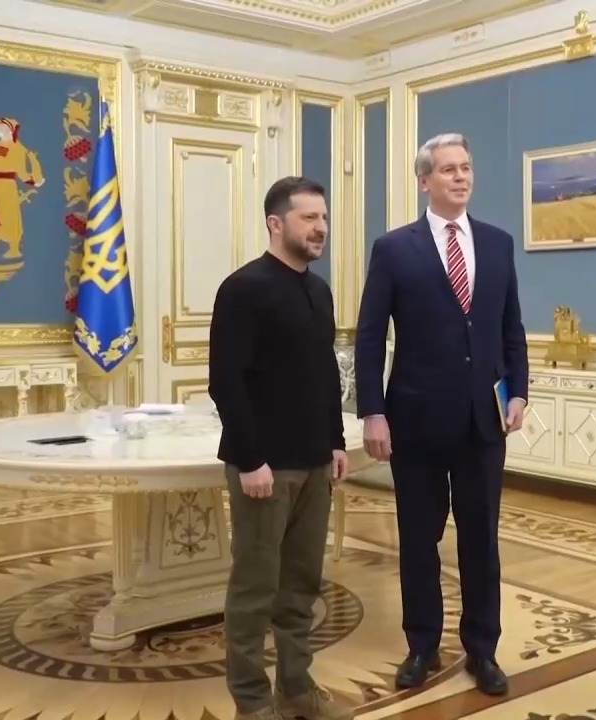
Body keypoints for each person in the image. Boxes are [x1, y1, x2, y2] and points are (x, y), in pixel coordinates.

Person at [353, 133, 529, 696]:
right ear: (424, 180)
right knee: (418, 540)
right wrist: (372, 412)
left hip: (483, 423)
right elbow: (370, 336)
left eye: (466, 168)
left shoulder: (497, 244)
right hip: (416, 421)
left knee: (481, 542)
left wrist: (518, 392)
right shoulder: (394, 249)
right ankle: (422, 645)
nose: (460, 177)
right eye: (449, 169)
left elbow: (511, 328)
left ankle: (483, 649)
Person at [209, 176, 353, 720]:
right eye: (308, 218)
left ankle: (296, 687)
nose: (320, 228)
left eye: (323, 218)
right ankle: (251, 702)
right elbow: (226, 382)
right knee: (255, 590)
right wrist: (250, 460)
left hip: (314, 464)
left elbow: (324, 373)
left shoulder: (319, 290)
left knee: (300, 587)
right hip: (264, 467)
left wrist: (335, 441)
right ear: (276, 223)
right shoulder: (243, 289)